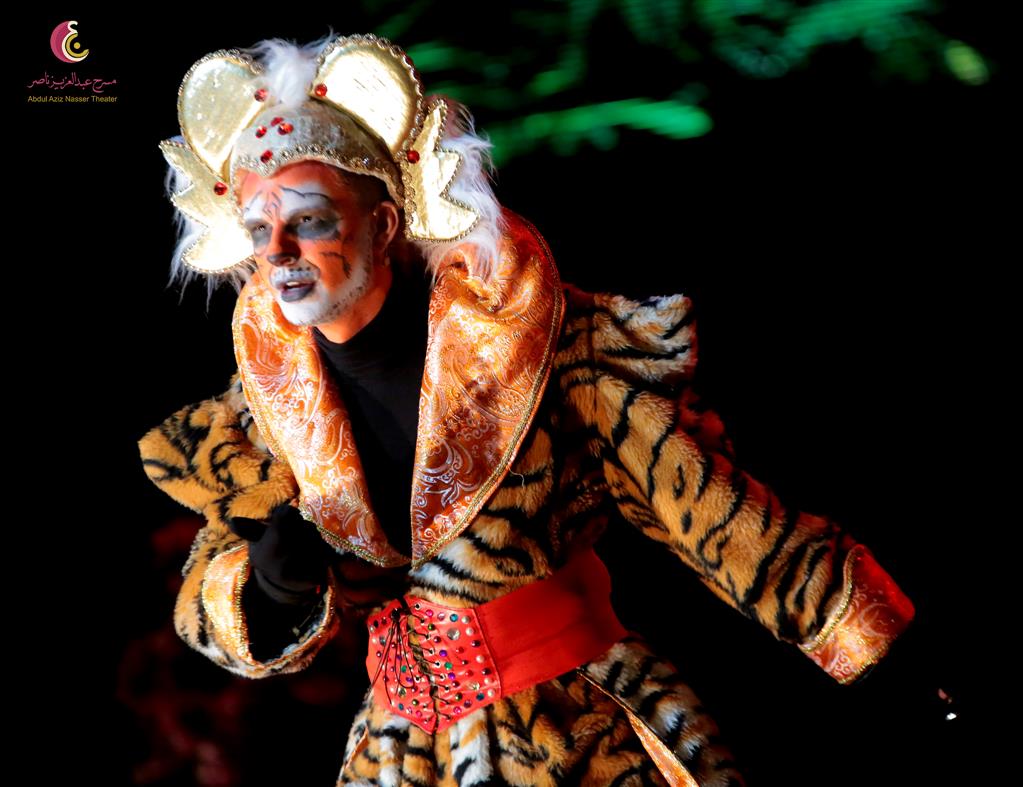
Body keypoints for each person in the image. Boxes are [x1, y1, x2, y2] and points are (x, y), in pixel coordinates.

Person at [138, 31, 916, 786]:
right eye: (258, 229)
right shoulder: (264, 408)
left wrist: (885, 653)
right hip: (397, 758)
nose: (278, 251)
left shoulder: (543, 346)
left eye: (309, 220)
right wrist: (265, 589)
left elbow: (717, 518)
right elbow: (212, 594)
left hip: (576, 740)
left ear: (381, 222)